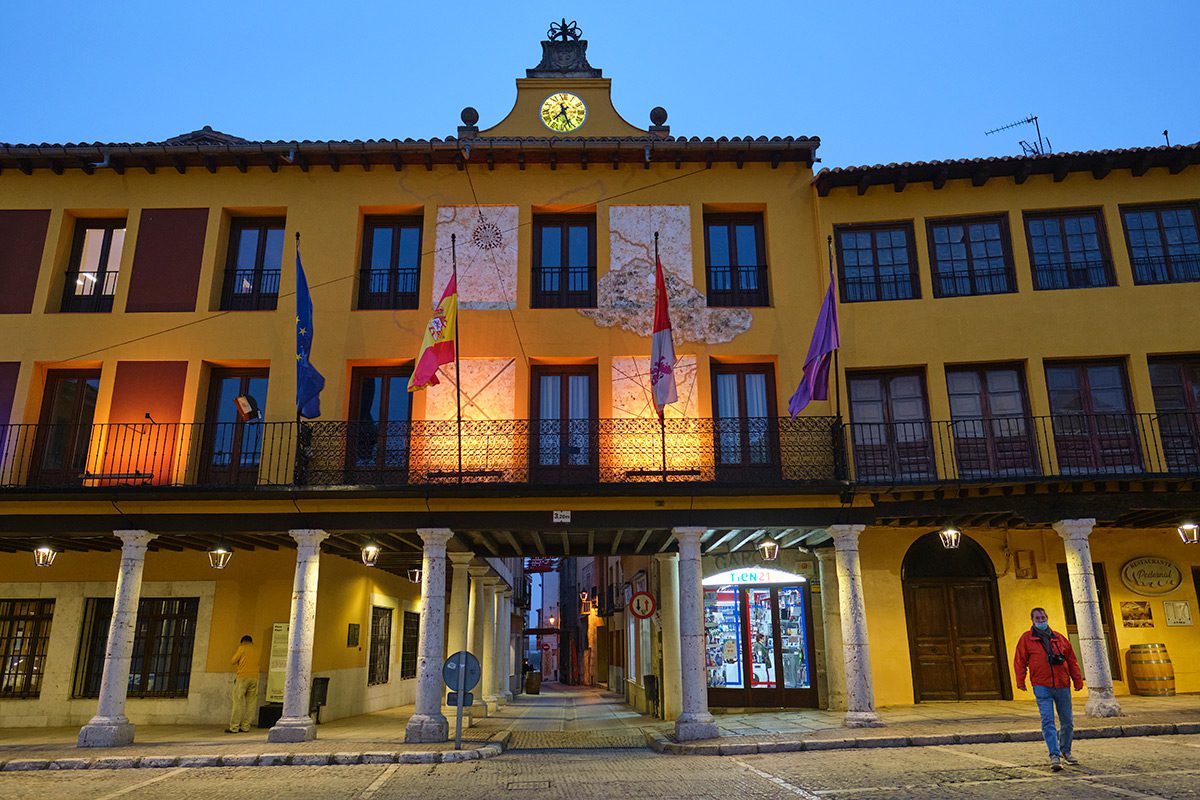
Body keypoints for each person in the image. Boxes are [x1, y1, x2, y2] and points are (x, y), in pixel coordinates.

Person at [1013, 607, 1084, 771]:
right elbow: (1020, 661)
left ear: (1047, 617)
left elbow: (1071, 660)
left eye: (1043, 617)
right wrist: (1020, 681)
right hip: (1041, 685)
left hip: (1062, 684)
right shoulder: (1026, 639)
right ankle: (1054, 754)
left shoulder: (1059, 638)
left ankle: (1066, 750)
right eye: (1037, 618)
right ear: (1032, 620)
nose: (1041, 620)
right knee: (1048, 721)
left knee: (1067, 721)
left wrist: (1077, 680)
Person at [227, 634, 259, 734]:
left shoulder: (242, 648)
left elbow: (233, 661)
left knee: (238, 701)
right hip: (254, 678)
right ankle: (245, 726)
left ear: (243, 642)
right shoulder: (256, 650)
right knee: (251, 703)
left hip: (242, 677)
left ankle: (234, 727)